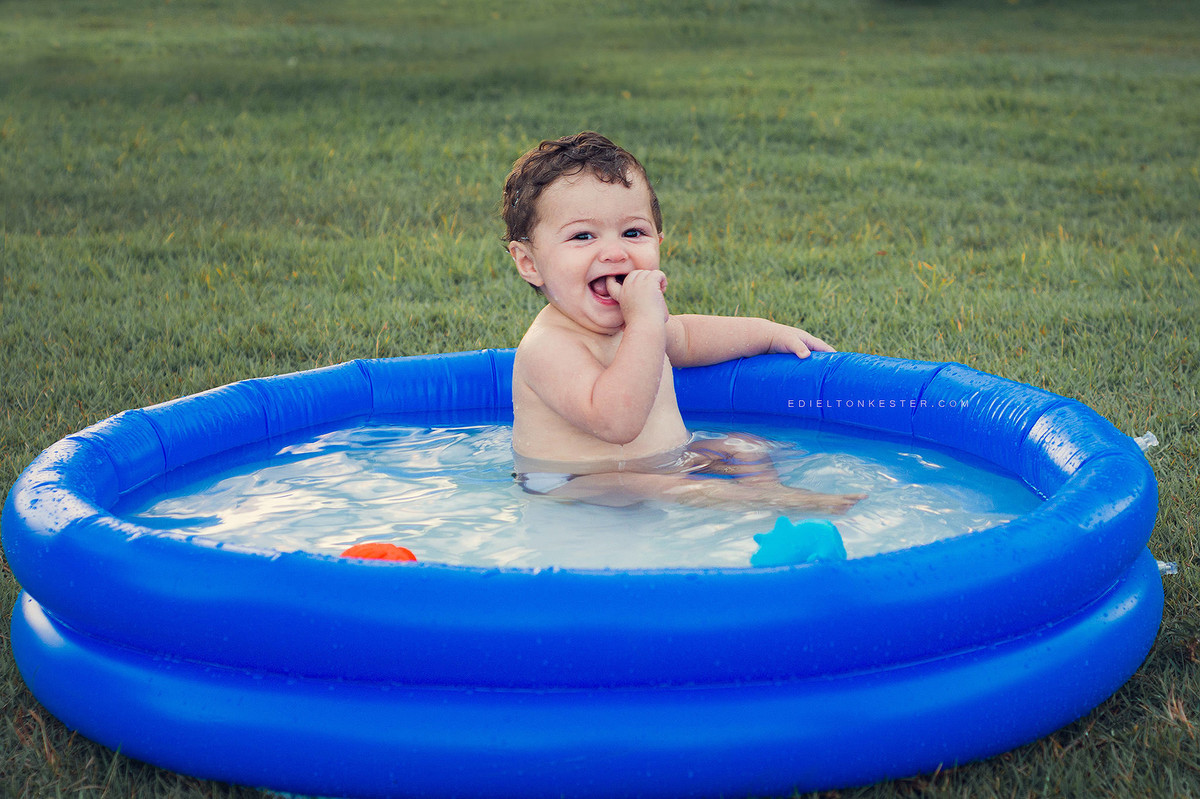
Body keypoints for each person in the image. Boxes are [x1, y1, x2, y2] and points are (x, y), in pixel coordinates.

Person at [503, 131, 864, 513]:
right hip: (571, 482)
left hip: (663, 464)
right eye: (582, 236)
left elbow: (689, 337)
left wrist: (769, 333)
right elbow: (616, 422)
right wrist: (644, 321)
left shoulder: (640, 322)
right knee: (676, 489)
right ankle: (764, 502)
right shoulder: (549, 347)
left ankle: (767, 500)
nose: (614, 251)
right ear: (529, 263)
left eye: (633, 232)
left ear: (658, 240)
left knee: (744, 446)